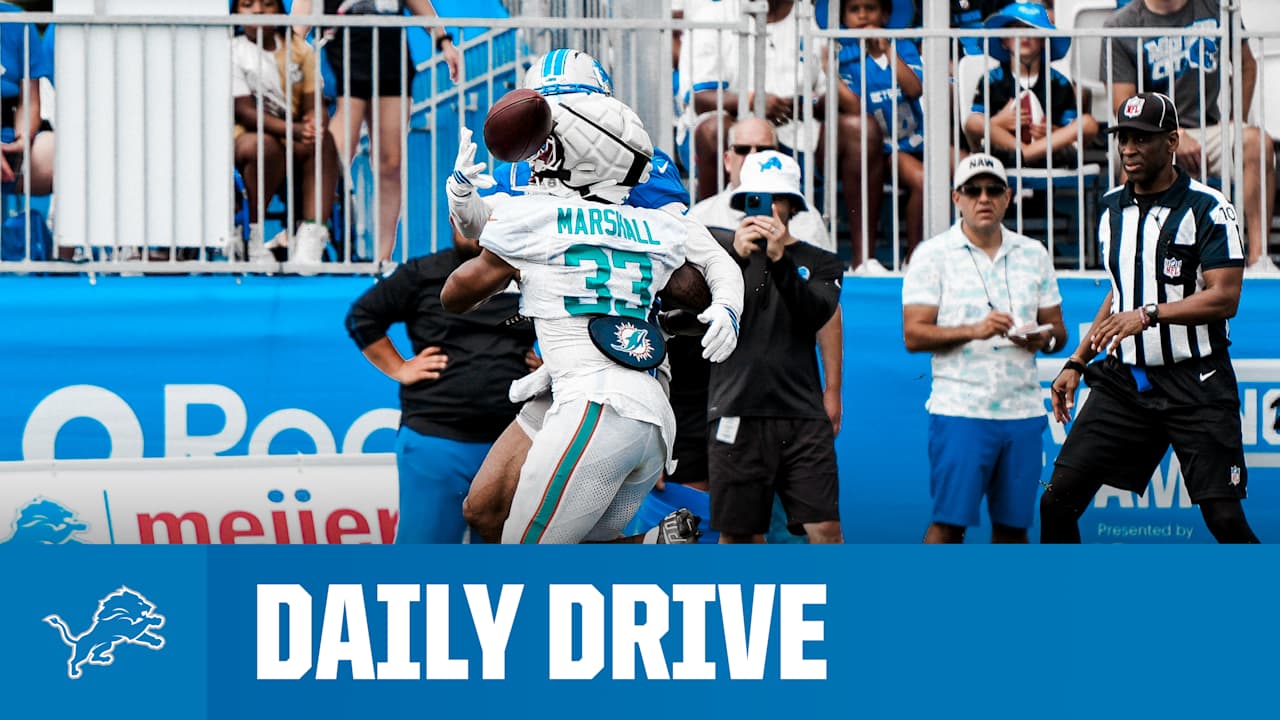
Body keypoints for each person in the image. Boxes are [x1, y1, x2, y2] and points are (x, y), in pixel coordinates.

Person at [448, 50, 744, 544]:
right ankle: (651, 544)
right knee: (485, 508)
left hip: (620, 357)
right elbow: (479, 234)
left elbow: (693, 272)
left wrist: (719, 303)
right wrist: (464, 199)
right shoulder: (531, 162)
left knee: (534, 547)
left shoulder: (638, 168)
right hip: (563, 363)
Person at [1042, 91, 1259, 544]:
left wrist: (1149, 314)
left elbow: (1225, 298)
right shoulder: (1111, 208)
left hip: (1196, 380)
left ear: (1172, 141)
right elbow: (1123, 292)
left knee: (1224, 519)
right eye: (1123, 138)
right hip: (1127, 381)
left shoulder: (1208, 207)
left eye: (1142, 138)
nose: (1128, 149)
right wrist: (1078, 360)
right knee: (1057, 501)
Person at [902, 153, 1067, 543]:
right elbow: (913, 335)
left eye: (993, 190)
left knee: (1013, 529)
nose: (984, 198)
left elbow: (1058, 332)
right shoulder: (932, 254)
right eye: (973, 190)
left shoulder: (1033, 252)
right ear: (956, 197)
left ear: (1008, 197)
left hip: (1022, 410)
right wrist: (974, 330)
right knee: (949, 524)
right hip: (961, 409)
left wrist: (1041, 339)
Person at [344, 231, 537, 543]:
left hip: (513, 443)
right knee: (422, 562)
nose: (476, 230)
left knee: (503, 566)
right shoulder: (423, 273)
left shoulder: (530, 273)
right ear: (453, 220)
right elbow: (362, 316)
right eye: (467, 220)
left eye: (485, 219)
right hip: (436, 442)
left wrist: (548, 368)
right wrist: (400, 368)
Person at [679, 0, 884, 270]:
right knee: (715, 130)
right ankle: (715, 251)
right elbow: (698, 97)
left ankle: (864, 261)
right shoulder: (713, 15)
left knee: (861, 129)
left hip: (796, 128)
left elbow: (826, 93)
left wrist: (803, 103)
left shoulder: (808, 14)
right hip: (735, 129)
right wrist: (753, 101)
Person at [706, 150, 843, 544]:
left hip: (802, 413)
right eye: (758, 198)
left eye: (777, 198)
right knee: (738, 535)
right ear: (743, 202)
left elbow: (816, 315)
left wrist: (780, 260)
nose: (768, 208)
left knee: (826, 528)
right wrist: (734, 255)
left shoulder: (822, 262)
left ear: (792, 205)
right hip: (735, 408)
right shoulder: (717, 257)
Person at [1106, 0, 1277, 273]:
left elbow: (1246, 65)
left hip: (1209, 130)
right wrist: (1172, 134)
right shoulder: (1121, 24)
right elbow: (1124, 105)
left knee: (1257, 143)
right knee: (1132, 161)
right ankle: (1134, 261)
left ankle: (1259, 260)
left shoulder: (1216, 8)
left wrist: (1236, 119)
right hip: (1152, 132)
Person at [292, 0, 462, 262]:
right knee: (333, 157)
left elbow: (420, 6)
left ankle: (383, 258)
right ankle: (307, 233)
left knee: (391, 163)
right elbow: (298, 28)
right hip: (343, 65)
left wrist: (444, 43)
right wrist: (302, 63)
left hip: (391, 64)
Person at [232, 0, 340, 265]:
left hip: (291, 136)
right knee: (264, 145)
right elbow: (244, 112)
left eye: (268, 4)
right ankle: (251, 236)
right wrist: (295, 130)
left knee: (323, 141)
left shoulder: (300, 50)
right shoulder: (232, 50)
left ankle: (311, 238)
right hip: (242, 136)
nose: (258, 11)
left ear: (280, 11)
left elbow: (314, 102)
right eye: (247, 5)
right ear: (236, 13)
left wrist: (315, 122)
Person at [837, 0, 927, 262]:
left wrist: (887, 48)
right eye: (854, 10)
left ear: (885, 15)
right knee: (923, 181)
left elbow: (914, 89)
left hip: (919, 140)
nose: (863, 15)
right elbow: (854, 106)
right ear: (843, 18)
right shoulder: (843, 57)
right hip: (886, 151)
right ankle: (914, 258)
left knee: (964, 164)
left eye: (871, 8)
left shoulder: (903, 46)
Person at [964, 2, 1098, 172]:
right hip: (1005, 155)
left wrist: (1052, 131)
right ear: (1004, 41)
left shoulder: (1060, 82)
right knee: (973, 120)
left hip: (1049, 156)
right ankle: (1025, 152)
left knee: (1088, 123)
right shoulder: (991, 79)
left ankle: (1027, 153)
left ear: (1043, 40)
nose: (1025, 36)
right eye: (1016, 30)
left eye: (1032, 30)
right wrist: (999, 121)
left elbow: (1070, 131)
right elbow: (974, 129)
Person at [0, 2, 54, 197]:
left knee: (55, 150)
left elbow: (29, 101)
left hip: (9, 140)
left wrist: (23, 139)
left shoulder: (17, 20)